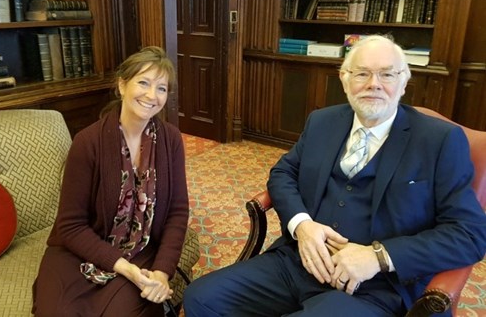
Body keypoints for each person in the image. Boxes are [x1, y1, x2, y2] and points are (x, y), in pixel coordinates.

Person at [183, 35, 486, 317]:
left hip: (375, 287)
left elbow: (470, 235)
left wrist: (377, 257)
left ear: (404, 81)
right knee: (201, 297)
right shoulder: (322, 121)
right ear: (344, 79)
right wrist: (302, 226)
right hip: (300, 261)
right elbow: (283, 173)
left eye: (387, 74)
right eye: (362, 73)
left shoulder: (439, 140)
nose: (374, 84)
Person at [32, 46, 189, 317]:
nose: (152, 95)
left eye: (161, 88)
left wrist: (162, 272)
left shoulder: (170, 140)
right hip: (81, 250)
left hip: (140, 248)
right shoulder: (88, 142)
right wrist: (124, 268)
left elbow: (177, 211)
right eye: (143, 82)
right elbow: (70, 226)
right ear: (121, 85)